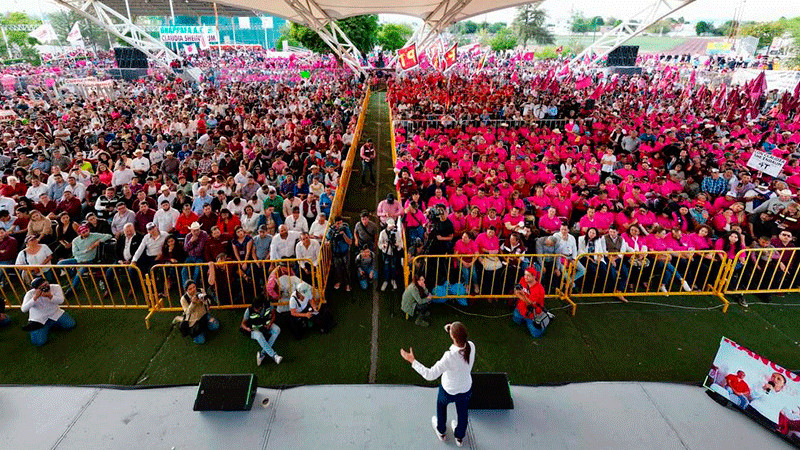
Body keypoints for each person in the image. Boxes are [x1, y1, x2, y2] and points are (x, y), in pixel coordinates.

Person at [400, 322, 475, 447]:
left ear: (453, 337)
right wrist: (450, 328)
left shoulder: (449, 356)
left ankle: (441, 431)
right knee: (463, 413)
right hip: (465, 389)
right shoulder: (471, 346)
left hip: (448, 391)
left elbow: (430, 375)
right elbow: (459, 338)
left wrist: (412, 361)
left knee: (441, 407)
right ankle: (459, 437)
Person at [20, 277, 76, 346]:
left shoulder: (56, 287)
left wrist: (50, 296)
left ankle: (50, 325)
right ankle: (38, 329)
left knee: (70, 324)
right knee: (39, 342)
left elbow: (61, 301)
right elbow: (24, 309)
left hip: (55, 313)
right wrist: (34, 298)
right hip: (39, 319)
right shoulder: (30, 294)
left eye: (46, 284)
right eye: (42, 287)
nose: (46, 287)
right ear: (36, 289)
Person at [240, 296, 283, 366]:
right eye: (255, 308)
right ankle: (274, 356)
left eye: (257, 308)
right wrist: (247, 329)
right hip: (254, 329)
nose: (256, 310)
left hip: (265, 326)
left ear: (262, 306)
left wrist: (270, 323)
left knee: (277, 330)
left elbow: (273, 314)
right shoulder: (249, 310)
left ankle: (262, 354)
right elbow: (243, 324)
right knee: (259, 336)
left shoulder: (269, 305)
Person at [177, 279, 220, 344]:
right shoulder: (184, 299)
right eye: (190, 289)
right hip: (194, 321)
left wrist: (204, 300)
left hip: (204, 315)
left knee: (215, 326)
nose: (193, 290)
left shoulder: (201, 290)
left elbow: (208, 302)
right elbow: (187, 313)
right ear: (186, 290)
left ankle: (206, 325)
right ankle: (197, 332)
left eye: (194, 287)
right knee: (201, 341)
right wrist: (192, 303)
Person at [512, 267, 551, 338]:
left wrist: (522, 295)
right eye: (525, 275)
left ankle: (543, 322)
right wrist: (524, 298)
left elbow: (530, 303)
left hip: (533, 313)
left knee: (536, 335)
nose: (525, 277)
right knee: (516, 319)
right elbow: (516, 291)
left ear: (534, 277)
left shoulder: (539, 289)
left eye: (528, 275)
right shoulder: (523, 280)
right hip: (521, 308)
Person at [326, 216, 353, 291]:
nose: (339, 225)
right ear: (335, 224)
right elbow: (328, 238)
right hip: (336, 253)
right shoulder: (331, 230)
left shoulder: (345, 229)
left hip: (345, 252)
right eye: (338, 224)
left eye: (341, 223)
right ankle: (339, 281)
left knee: (346, 268)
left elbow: (350, 241)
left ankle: (348, 283)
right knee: (337, 268)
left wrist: (343, 234)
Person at [378, 218, 403, 291]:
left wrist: (398, 245)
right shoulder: (383, 233)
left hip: (394, 253)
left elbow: (400, 243)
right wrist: (383, 246)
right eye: (390, 227)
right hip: (386, 253)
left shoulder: (397, 232)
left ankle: (393, 280)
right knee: (386, 267)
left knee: (393, 267)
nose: (392, 228)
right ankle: (385, 281)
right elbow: (379, 244)